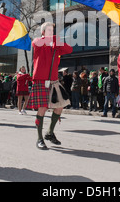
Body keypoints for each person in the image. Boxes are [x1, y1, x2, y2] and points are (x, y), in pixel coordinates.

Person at [30, 22, 73, 150]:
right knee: (42, 108)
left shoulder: (55, 45)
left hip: (53, 80)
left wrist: (58, 41)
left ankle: (49, 132)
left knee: (60, 107)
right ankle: (39, 138)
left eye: (52, 30)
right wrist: (49, 40)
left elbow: (69, 49)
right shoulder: (38, 42)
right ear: (43, 32)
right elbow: (35, 43)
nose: (51, 32)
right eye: (48, 30)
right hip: (41, 80)